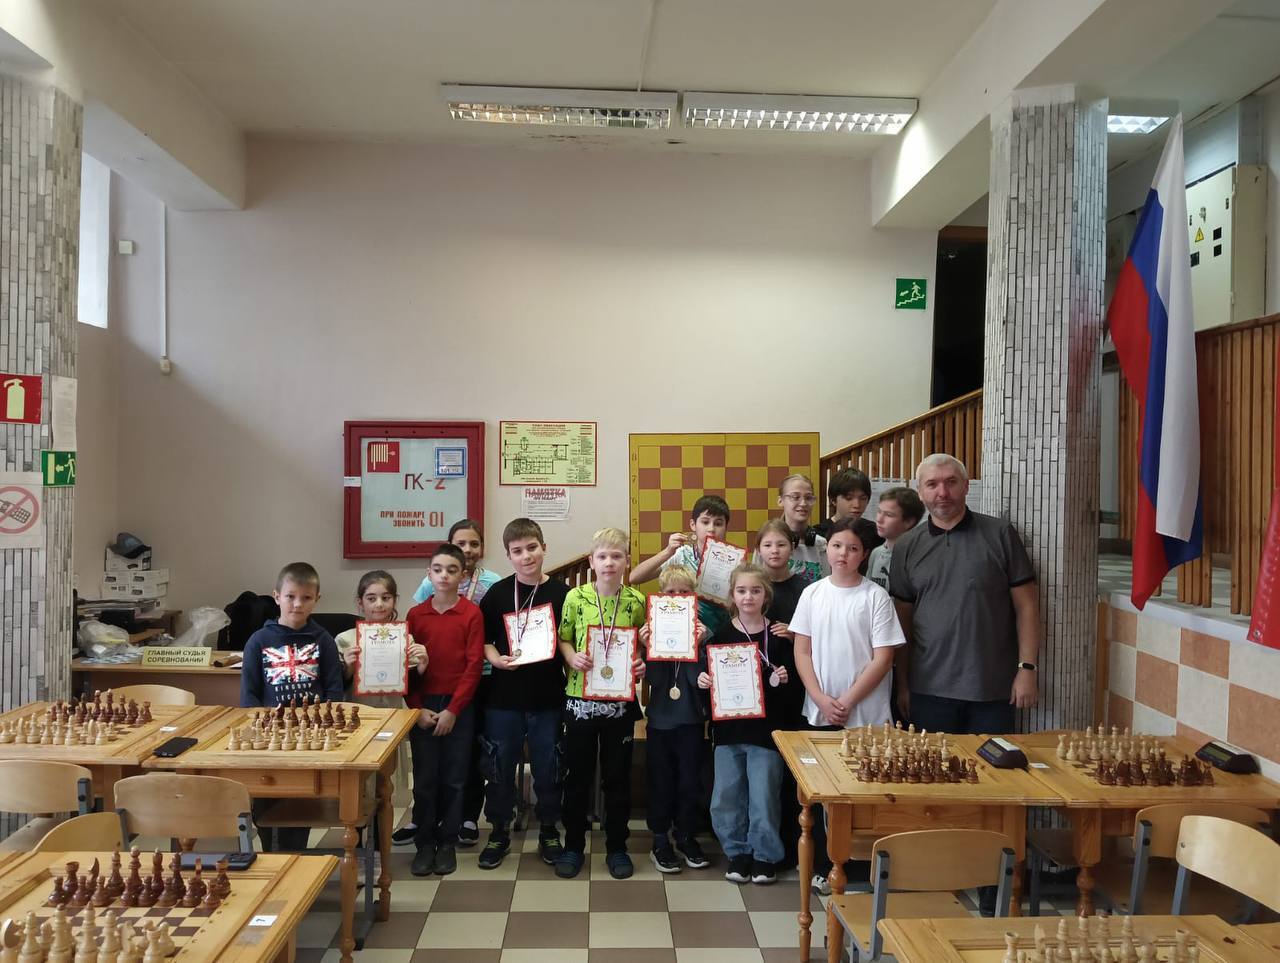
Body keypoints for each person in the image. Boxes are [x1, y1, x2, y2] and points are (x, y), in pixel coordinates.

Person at [790, 519, 906, 893]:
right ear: (827, 549)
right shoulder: (812, 594)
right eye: (837, 546)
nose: (843, 554)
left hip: (865, 715)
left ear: (864, 554)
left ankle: (864, 868)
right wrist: (821, 698)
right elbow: (802, 651)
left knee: (864, 790)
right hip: (819, 711)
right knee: (823, 793)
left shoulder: (875, 597)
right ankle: (824, 866)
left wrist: (848, 700)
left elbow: (883, 658)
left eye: (852, 548)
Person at [888, 453, 1040, 736]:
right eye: (932, 484)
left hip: (992, 688)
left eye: (951, 482)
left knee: (992, 765)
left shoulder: (1000, 534)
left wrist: (1027, 669)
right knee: (933, 764)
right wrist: (903, 685)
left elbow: (1027, 606)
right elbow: (902, 621)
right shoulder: (907, 545)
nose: (942, 492)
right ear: (919, 492)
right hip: (928, 689)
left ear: (966, 485)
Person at [475, 518, 569, 870]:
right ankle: (499, 830)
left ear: (544, 548)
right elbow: (484, 641)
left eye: (532, 548)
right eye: (518, 551)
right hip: (503, 698)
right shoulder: (498, 594)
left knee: (549, 767)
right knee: (499, 766)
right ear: (508, 555)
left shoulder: (562, 594)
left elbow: (568, 641)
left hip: (548, 697)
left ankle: (549, 829)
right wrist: (495, 659)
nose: (526, 556)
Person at [556, 527, 647, 880]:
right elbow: (564, 638)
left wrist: (641, 663)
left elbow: (642, 646)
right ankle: (573, 846)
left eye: (616, 556)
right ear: (592, 561)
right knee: (577, 776)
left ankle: (617, 847)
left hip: (619, 706)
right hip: (579, 701)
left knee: (617, 778)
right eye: (603, 556)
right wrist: (571, 657)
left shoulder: (636, 601)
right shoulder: (575, 597)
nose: (609, 562)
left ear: (627, 561)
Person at [405, 520, 501, 848]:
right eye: (438, 570)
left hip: (469, 693)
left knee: (462, 766)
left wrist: (455, 708)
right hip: (427, 695)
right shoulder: (418, 610)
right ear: (429, 574)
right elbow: (410, 658)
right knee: (426, 772)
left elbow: (476, 659)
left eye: (474, 543)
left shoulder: (480, 601)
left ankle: (456, 830)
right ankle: (424, 832)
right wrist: (416, 707)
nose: (444, 575)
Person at [698, 563, 793, 886]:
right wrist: (705, 682)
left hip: (767, 733)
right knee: (726, 796)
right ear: (732, 595)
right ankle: (737, 853)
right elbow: (710, 691)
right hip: (728, 732)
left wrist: (784, 679)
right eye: (741, 591)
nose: (748, 597)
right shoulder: (720, 637)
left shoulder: (779, 637)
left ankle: (764, 856)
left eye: (755, 590)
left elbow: (793, 688)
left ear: (766, 595)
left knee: (764, 796)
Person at [240, 561, 345, 850]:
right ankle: (273, 856)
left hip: (309, 737)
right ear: (277, 597)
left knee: (301, 802)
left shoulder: (323, 640)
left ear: (317, 599)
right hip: (270, 738)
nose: (298, 604)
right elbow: (249, 695)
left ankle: (295, 855)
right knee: (267, 802)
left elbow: (334, 690)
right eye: (290, 596)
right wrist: (258, 727)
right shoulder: (258, 641)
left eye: (306, 598)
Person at [638, 565, 711, 874]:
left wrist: (698, 645)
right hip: (660, 721)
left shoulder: (703, 632)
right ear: (661, 595)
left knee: (689, 781)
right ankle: (659, 840)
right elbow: (654, 680)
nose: (677, 597)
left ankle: (685, 836)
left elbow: (696, 681)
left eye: (684, 592)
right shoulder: (652, 630)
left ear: (694, 596)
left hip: (691, 721)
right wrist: (647, 647)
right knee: (661, 781)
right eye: (671, 592)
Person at [335, 571, 421, 805]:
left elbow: (414, 684)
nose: (379, 604)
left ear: (395, 600)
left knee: (385, 782)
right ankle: (359, 824)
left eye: (386, 597)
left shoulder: (405, 639)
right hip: (357, 719)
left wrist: (422, 663)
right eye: (371, 598)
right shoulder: (345, 639)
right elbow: (336, 685)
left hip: (390, 717)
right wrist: (348, 666)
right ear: (360, 602)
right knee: (358, 783)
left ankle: (382, 824)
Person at [754, 518, 807, 866]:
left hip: (792, 686)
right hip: (753, 690)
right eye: (768, 545)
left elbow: (816, 637)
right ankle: (763, 842)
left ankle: (793, 841)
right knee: (763, 770)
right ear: (758, 549)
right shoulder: (750, 585)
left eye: (781, 544)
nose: (774, 551)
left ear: (792, 548)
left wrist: (795, 634)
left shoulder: (805, 589)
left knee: (789, 768)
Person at [630, 494, 732, 634]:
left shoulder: (733, 560)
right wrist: (667, 552)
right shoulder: (682, 554)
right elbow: (634, 577)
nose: (711, 529)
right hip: (681, 631)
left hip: (721, 631)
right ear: (693, 525)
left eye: (718, 524)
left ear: (726, 527)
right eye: (705, 522)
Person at [763, 474, 830, 585]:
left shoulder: (821, 544)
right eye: (795, 497)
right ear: (780, 501)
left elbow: (826, 586)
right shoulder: (767, 543)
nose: (803, 503)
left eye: (808, 498)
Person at [865, 487, 925, 590]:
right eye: (879, 511)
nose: (879, 519)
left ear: (908, 522)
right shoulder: (876, 553)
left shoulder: (918, 557)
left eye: (889, 515)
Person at [814, 467, 872, 540]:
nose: (857, 505)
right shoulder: (819, 534)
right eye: (849, 498)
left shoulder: (873, 531)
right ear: (833, 500)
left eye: (863, 498)